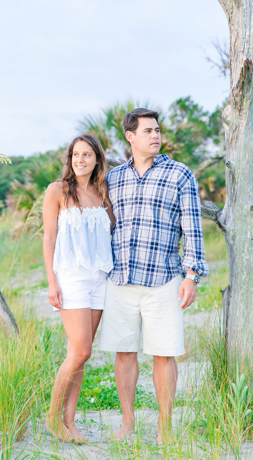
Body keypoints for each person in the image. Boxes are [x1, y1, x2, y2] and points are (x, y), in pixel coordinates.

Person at [99, 108, 209, 445]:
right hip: (120, 280)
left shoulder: (180, 174)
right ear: (130, 137)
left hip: (164, 279)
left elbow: (193, 228)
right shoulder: (113, 178)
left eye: (158, 130)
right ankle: (128, 422)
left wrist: (192, 275)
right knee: (124, 352)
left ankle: (165, 427)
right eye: (148, 131)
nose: (156, 136)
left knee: (164, 353)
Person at [42, 134, 114, 443]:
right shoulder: (57, 191)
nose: (80, 159)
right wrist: (52, 281)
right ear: (70, 159)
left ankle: (69, 423)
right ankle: (52, 418)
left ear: (97, 159)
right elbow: (49, 238)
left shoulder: (103, 192)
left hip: (100, 277)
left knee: (80, 355)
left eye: (87, 154)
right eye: (75, 155)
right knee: (80, 350)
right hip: (71, 277)